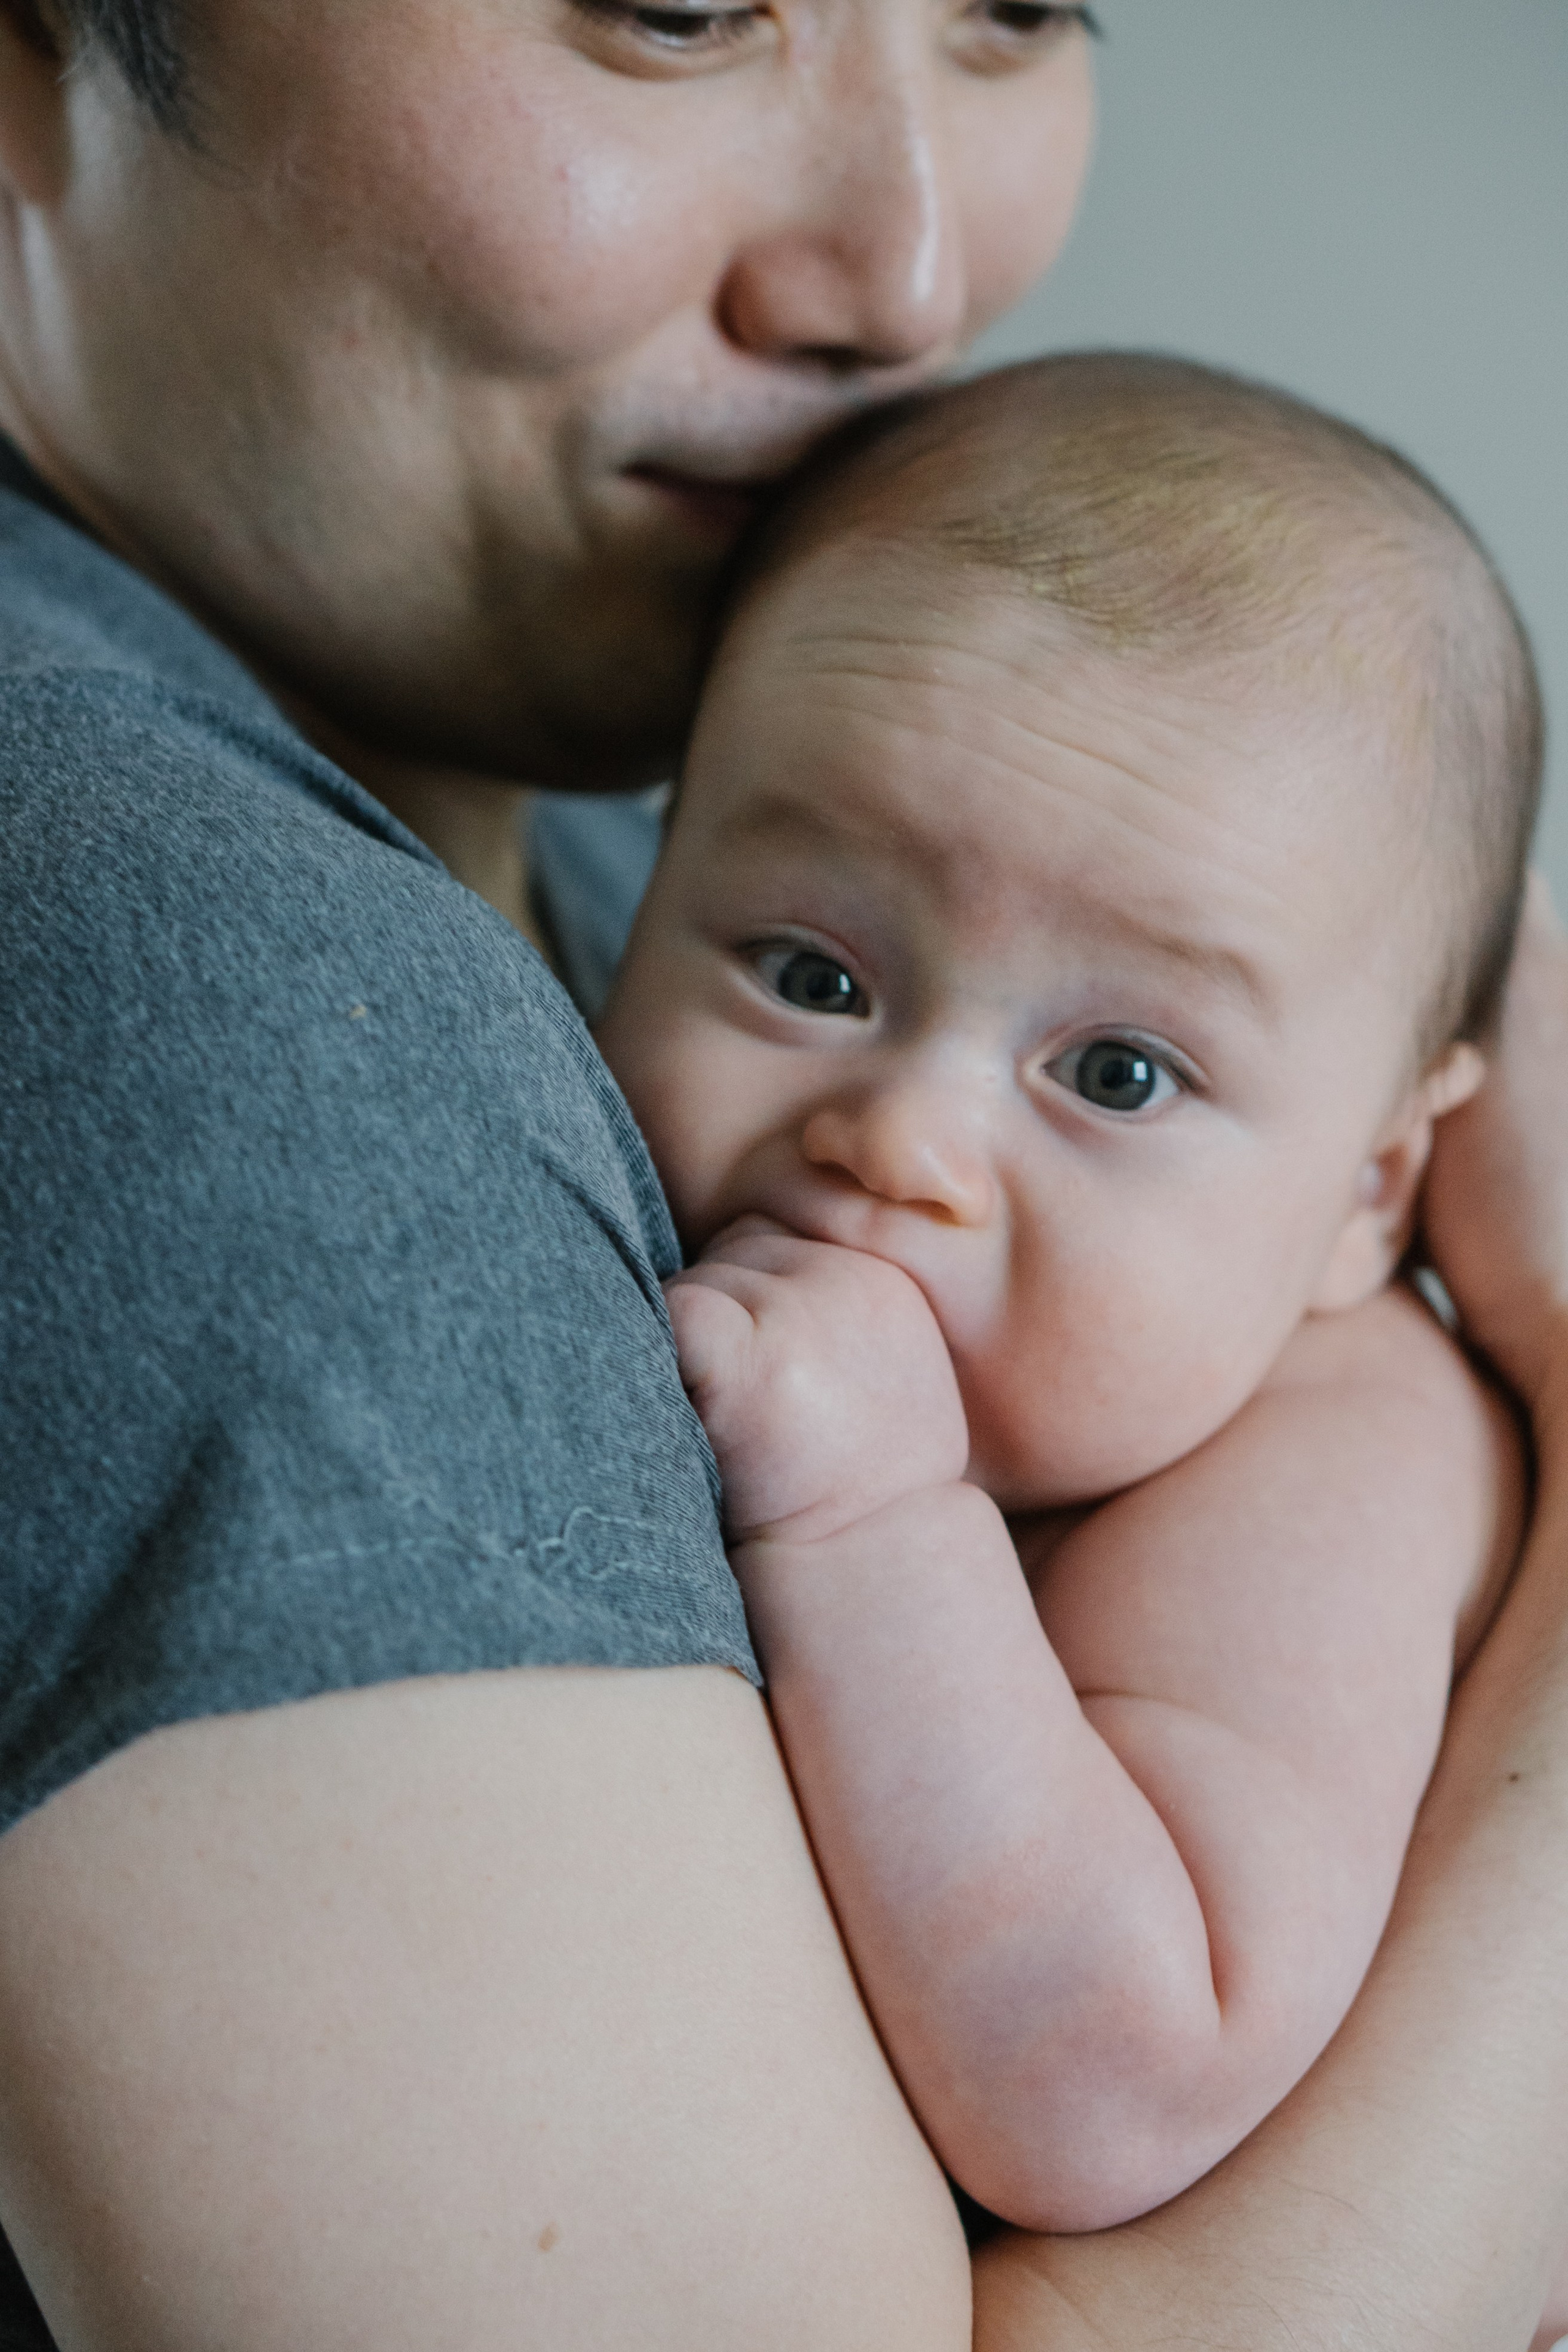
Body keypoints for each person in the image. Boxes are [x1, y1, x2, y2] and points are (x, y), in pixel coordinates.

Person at [0, 4, 1564, 2348]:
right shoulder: (212, 993)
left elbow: (1123, 2054)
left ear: (1379, 1178)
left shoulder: (653, 854)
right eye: (680, 6)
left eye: (1018, 9)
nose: (913, 276)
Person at [596, 348, 1546, 2250]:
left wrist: (874, 1521)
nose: (903, 1139)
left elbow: (1116, 2079)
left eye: (1118, 1074)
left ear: (1370, 1188)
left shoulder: (1329, 1460)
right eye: (809, 968)